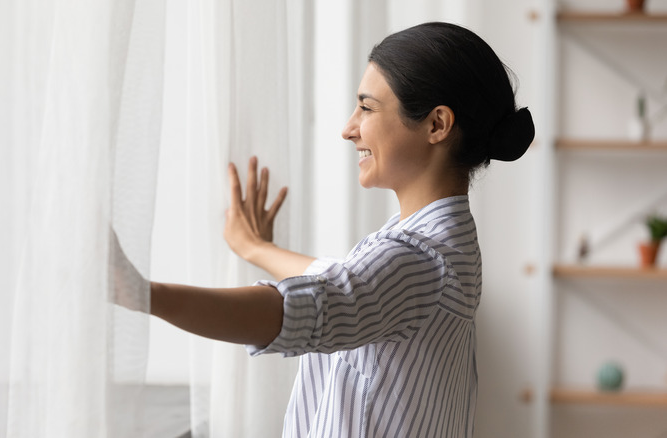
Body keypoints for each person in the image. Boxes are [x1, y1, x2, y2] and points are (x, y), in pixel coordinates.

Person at [113, 22, 534, 437]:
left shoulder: (418, 260)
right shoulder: (441, 249)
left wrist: (145, 294)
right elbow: (344, 279)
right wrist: (256, 247)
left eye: (366, 108)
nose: (349, 128)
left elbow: (312, 304)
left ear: (437, 125)